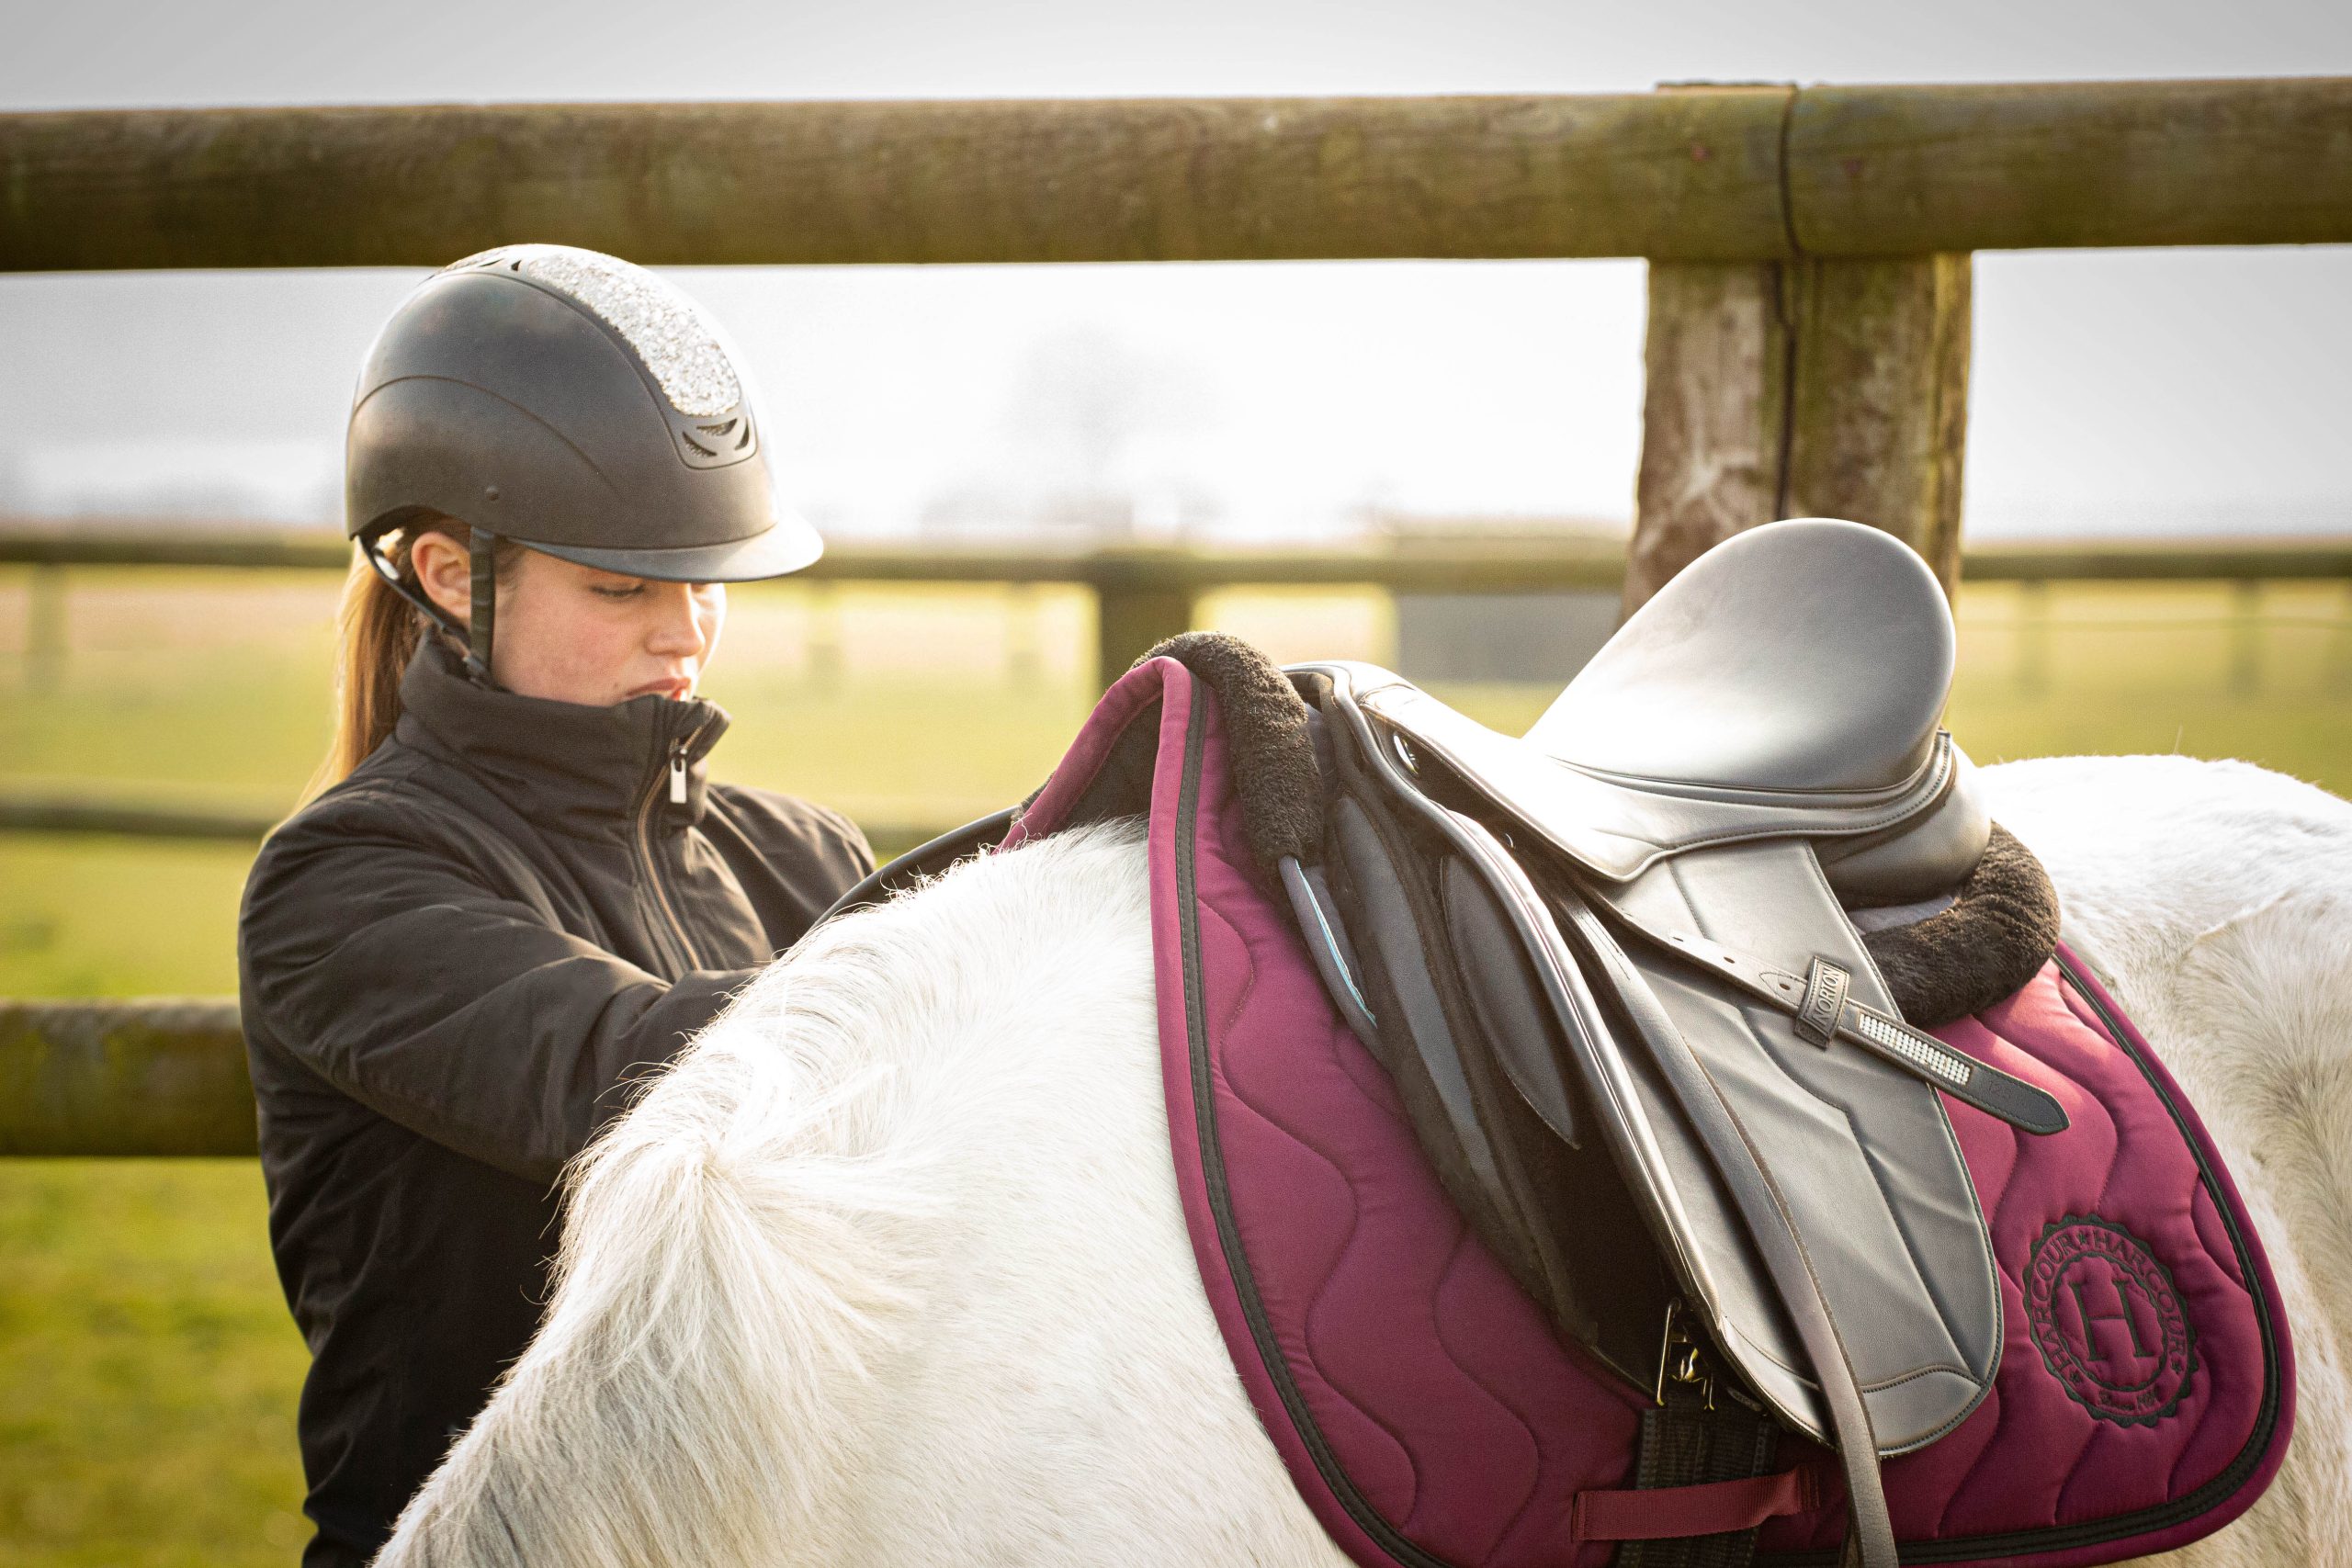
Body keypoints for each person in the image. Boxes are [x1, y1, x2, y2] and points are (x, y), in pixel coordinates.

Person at [237, 245, 874, 1566]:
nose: (686, 635)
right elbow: (632, 1069)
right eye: (622, 586)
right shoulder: (339, 886)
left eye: (703, 582)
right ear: (456, 575)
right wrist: (977, 968)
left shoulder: (806, 861)